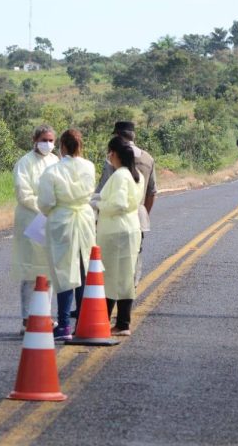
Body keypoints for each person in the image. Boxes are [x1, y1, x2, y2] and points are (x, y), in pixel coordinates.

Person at [38, 129, 97, 341]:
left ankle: (63, 324)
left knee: (63, 272)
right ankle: (82, 320)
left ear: (62, 146)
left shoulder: (52, 171)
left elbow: (46, 202)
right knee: (83, 269)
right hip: (84, 219)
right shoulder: (89, 166)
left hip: (62, 220)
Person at [96, 121, 157, 287]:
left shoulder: (113, 159)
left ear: (118, 136)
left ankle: (112, 294)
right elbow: (152, 192)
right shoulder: (148, 159)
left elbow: (102, 191)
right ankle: (131, 288)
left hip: (113, 220)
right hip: (137, 216)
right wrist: (143, 213)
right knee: (134, 255)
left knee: (110, 260)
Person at [10, 125, 59, 333]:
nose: (47, 144)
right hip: (31, 220)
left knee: (49, 272)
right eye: (44, 140)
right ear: (35, 140)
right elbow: (23, 194)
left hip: (50, 221)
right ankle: (27, 319)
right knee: (31, 271)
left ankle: (44, 316)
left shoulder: (55, 161)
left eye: (51, 140)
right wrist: (44, 207)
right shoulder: (25, 162)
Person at [94, 137, 144, 336]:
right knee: (125, 276)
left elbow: (118, 204)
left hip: (115, 231)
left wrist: (98, 204)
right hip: (131, 228)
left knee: (110, 277)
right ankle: (123, 322)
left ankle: (105, 319)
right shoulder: (136, 174)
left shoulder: (120, 175)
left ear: (114, 153)